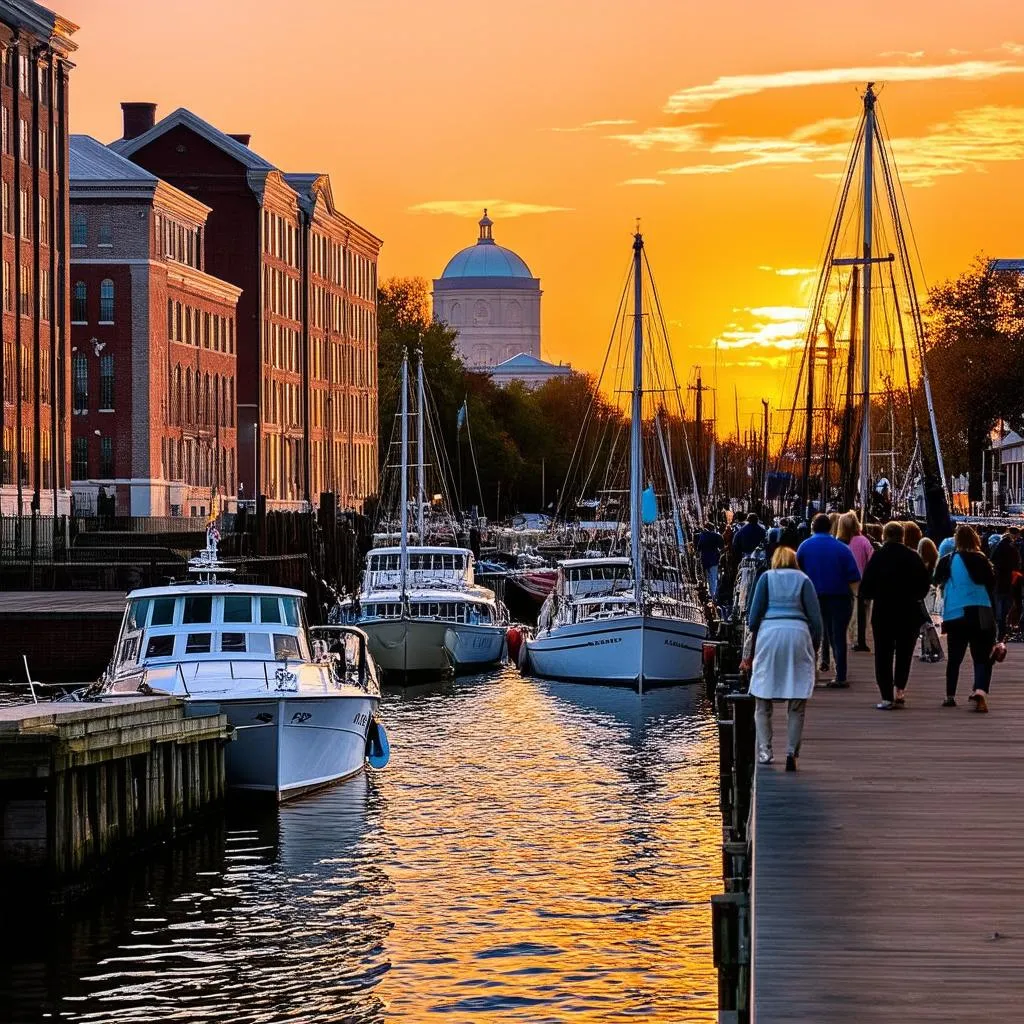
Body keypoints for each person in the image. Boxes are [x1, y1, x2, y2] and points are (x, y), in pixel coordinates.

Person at [743, 546, 823, 772]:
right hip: (798, 633)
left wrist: (754, 636)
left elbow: (753, 616)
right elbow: (815, 619)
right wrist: (814, 646)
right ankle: (791, 752)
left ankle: (765, 750)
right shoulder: (804, 580)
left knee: (762, 697)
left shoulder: (766, 579)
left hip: (770, 633)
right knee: (797, 702)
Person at [859, 521, 932, 709]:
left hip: (883, 611)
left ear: (885, 536)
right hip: (908, 612)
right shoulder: (913, 557)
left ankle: (886, 696)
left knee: (883, 654)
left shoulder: (878, 557)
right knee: (904, 652)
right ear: (902, 536)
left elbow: (866, 587)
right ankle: (900, 689)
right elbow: (925, 584)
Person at [935, 525, 997, 712]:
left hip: (956, 612)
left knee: (955, 657)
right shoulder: (982, 559)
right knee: (982, 656)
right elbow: (991, 584)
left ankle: (950, 695)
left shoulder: (948, 560)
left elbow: (936, 580)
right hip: (981, 610)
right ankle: (979, 691)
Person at [797, 513, 861, 686]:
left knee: (812, 635)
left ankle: (811, 674)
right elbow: (854, 575)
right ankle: (841, 676)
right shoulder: (842, 549)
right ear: (830, 528)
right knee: (837, 636)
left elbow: (797, 573)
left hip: (813, 597)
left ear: (813, 527)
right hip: (839, 597)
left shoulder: (804, 547)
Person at [837, 512, 875, 652]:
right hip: (863, 582)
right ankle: (861, 639)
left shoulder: (840, 543)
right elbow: (871, 560)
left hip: (846, 583)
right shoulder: (864, 541)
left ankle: (852, 638)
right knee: (863, 613)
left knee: (851, 613)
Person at [990, 529, 1021, 641]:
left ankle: (1000, 632)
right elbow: (1017, 565)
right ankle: (1004, 631)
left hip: (999, 582)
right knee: (1007, 608)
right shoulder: (1012, 549)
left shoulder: (997, 546)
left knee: (1000, 610)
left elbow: (992, 560)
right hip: (1009, 582)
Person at [694, 522, 724, 598]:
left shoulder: (702, 536)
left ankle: (711, 593)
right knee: (714, 577)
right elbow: (721, 546)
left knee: (709, 577)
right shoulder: (717, 536)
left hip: (705, 559)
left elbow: (699, 548)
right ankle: (714, 594)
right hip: (714, 558)